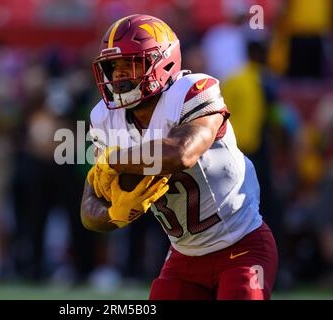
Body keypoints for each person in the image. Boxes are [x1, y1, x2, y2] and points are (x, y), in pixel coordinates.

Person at [80, 14, 278, 300]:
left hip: (242, 244)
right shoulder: (103, 118)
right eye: (113, 67)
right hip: (183, 257)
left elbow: (181, 153)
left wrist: (113, 161)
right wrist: (112, 214)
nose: (120, 76)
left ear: (162, 63)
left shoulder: (193, 91)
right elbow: (89, 206)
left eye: (130, 64)